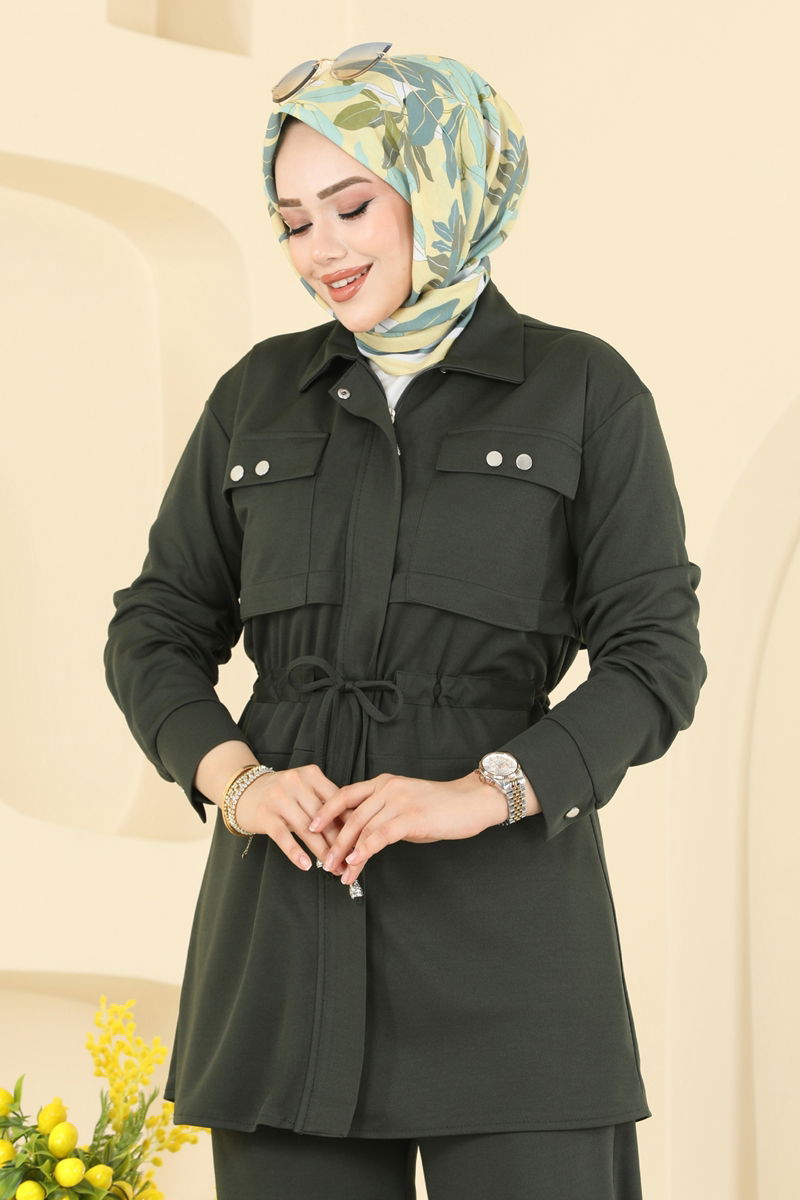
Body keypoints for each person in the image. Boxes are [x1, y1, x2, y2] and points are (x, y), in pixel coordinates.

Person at [104, 43, 707, 1200]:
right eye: (292, 221)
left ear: (445, 187)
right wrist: (236, 779)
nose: (319, 249)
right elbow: (155, 625)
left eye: (350, 206)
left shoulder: (582, 389)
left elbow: (652, 656)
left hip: (512, 954)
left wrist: (480, 792)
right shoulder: (257, 395)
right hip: (282, 947)